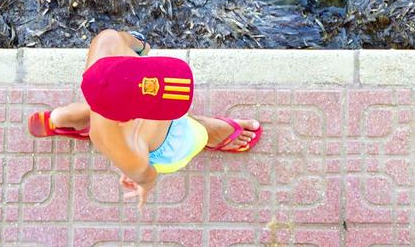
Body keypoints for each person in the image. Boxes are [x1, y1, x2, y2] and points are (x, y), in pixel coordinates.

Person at [26, 27, 262, 204]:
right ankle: (207, 131)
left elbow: (136, 44)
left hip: (110, 112)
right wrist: (144, 185)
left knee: (100, 108)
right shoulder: (120, 144)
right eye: (153, 102)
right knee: (195, 134)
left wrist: (141, 49)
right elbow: (144, 174)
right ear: (127, 118)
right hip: (157, 139)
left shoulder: (106, 43)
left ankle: (61, 119)